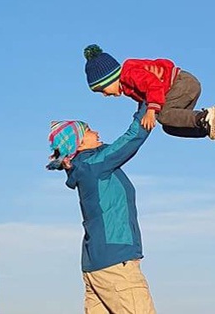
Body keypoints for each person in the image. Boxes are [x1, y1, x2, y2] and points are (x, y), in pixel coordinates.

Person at [46, 104, 156, 314]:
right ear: (77, 144)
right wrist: (148, 102)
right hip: (116, 262)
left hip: (96, 266)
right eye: (88, 131)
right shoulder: (94, 165)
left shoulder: (87, 166)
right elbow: (133, 137)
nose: (96, 132)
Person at [83, 44, 215, 151]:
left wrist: (151, 111)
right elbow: (144, 97)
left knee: (164, 115)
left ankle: (204, 117)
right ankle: (209, 128)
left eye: (102, 89)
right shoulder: (127, 85)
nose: (104, 94)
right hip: (182, 88)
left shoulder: (129, 74)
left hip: (180, 84)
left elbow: (153, 85)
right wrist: (141, 114)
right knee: (170, 127)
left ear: (110, 78)